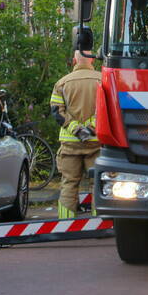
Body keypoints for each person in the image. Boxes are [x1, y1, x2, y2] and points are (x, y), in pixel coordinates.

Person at [49, 51, 101, 219]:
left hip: (70, 144)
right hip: (96, 143)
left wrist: (76, 129)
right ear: (93, 59)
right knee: (98, 184)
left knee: (69, 184)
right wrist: (91, 127)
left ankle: (65, 222)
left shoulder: (62, 83)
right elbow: (108, 109)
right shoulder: (103, 81)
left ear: (74, 61)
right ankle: (99, 222)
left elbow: (57, 112)